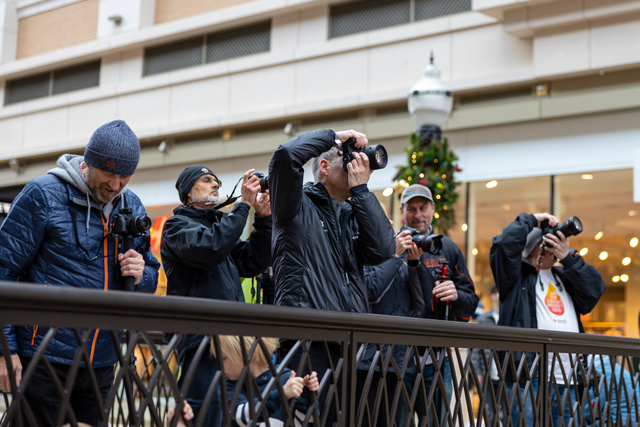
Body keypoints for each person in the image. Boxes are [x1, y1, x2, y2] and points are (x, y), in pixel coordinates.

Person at [0, 120, 160, 427]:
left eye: (124, 177)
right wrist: (4, 351)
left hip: (102, 361)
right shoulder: (42, 195)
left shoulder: (131, 205)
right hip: (43, 357)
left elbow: (150, 276)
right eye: (108, 175)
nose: (115, 186)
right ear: (87, 164)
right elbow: (3, 271)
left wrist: (141, 276)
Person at [268, 129, 395, 422]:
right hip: (306, 342)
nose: (356, 165)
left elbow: (385, 248)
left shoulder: (351, 215)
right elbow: (285, 156)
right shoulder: (295, 205)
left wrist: (361, 191)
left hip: (348, 346)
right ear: (324, 166)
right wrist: (333, 137)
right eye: (346, 158)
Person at [160, 166, 272, 426]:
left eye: (217, 181)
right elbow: (211, 247)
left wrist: (264, 220)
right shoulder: (175, 227)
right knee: (208, 411)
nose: (215, 185)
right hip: (202, 343)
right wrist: (243, 205)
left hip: (233, 343)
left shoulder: (220, 226)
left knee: (235, 413)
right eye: (207, 180)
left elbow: (251, 262)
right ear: (188, 193)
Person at [490, 212, 606, 426]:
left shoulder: (565, 276)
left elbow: (595, 289)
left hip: (569, 380)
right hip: (528, 379)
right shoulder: (516, 278)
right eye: (547, 241)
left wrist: (568, 258)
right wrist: (532, 219)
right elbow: (503, 246)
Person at [397, 184, 478, 426]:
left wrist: (456, 295)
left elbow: (470, 303)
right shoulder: (392, 246)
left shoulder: (448, 248)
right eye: (411, 209)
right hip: (397, 359)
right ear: (402, 212)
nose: (418, 215)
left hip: (437, 359)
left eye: (423, 207)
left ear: (433, 209)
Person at [356, 204, 423, 427]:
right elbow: (371, 292)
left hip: (399, 362)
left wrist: (413, 266)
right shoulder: (362, 253)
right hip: (368, 363)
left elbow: (418, 304)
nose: (392, 224)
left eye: (389, 219)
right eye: (384, 219)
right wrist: (394, 254)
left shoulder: (398, 260)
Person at [171, 336, 319, 427]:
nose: (219, 366)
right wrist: (282, 395)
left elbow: (304, 423)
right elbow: (244, 417)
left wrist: (308, 396)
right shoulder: (227, 387)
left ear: (249, 351)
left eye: (223, 358)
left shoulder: (285, 379)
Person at [470, 285, 504, 425]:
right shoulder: (483, 319)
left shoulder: (509, 319)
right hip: (488, 374)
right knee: (489, 414)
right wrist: (477, 373)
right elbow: (475, 349)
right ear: (493, 296)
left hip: (506, 375)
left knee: (508, 413)